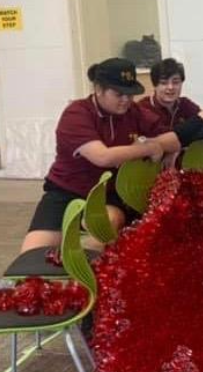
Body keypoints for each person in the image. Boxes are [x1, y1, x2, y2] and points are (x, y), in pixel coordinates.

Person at [19, 59, 180, 255]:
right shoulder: (77, 113)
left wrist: (161, 146)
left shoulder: (133, 112)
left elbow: (173, 139)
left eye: (130, 95)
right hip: (67, 191)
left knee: (97, 237)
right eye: (119, 94)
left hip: (108, 194)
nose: (126, 100)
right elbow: (102, 157)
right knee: (32, 255)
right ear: (98, 89)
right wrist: (147, 148)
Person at [135, 57, 203, 152]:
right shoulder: (143, 108)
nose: (170, 87)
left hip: (183, 163)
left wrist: (176, 148)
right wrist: (199, 120)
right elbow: (162, 138)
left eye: (175, 82)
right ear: (155, 85)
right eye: (164, 83)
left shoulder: (184, 103)